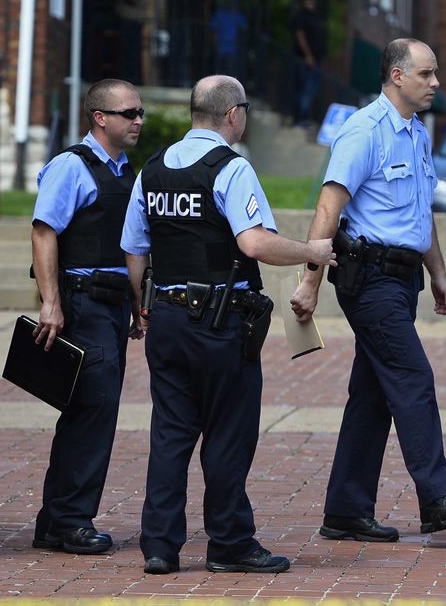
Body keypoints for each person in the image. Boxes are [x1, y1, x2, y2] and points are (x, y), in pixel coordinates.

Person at [121, 75, 335, 575]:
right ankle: (231, 542)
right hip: (218, 324)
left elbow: (135, 249)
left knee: (171, 434)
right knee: (227, 435)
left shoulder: (151, 169)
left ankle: (159, 546)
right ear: (233, 114)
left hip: (167, 318)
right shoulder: (230, 168)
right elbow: (255, 243)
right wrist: (312, 251)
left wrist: (141, 307)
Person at [290, 38, 446, 544]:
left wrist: (438, 274)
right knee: (412, 376)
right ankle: (437, 499)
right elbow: (328, 210)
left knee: (372, 397)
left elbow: (420, 215)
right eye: (426, 74)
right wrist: (310, 284)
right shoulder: (364, 131)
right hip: (369, 277)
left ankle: (346, 511)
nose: (435, 83)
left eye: (436, 73)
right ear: (397, 76)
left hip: (404, 279)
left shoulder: (417, 134)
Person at [30, 79, 146, 555]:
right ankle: (68, 522)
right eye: (129, 113)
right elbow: (43, 232)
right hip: (83, 303)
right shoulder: (71, 166)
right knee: (91, 412)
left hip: (114, 303)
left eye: (140, 113)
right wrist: (51, 302)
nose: (138, 120)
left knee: (93, 411)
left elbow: (130, 245)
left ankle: (57, 519)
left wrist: (138, 304)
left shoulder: (122, 169)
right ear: (100, 117)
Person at [290, 0, 326, 127]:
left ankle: (303, 118)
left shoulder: (315, 17)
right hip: (304, 60)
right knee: (304, 89)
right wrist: (308, 55)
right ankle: (299, 118)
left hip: (315, 59)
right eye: (308, 0)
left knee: (310, 90)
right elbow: (300, 36)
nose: (310, 3)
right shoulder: (301, 16)